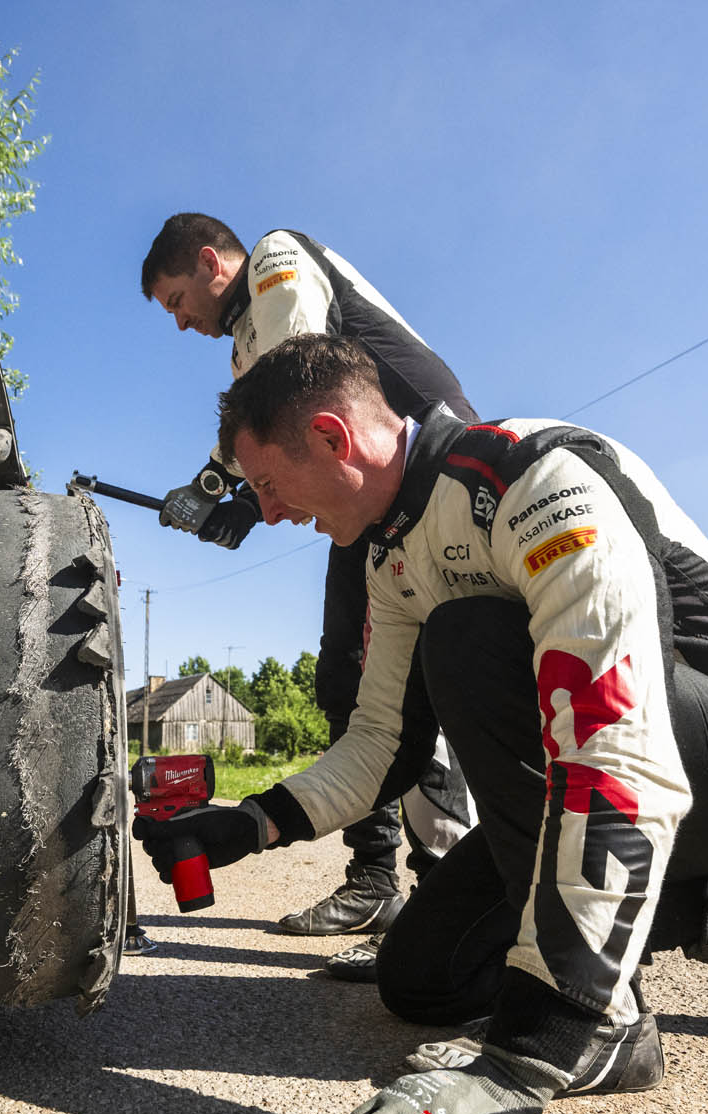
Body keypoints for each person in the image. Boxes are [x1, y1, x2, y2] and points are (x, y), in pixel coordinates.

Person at [132, 335, 708, 1114]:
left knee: (472, 639)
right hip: (633, 778)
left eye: (269, 484)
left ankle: (609, 1016)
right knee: (421, 980)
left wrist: (530, 1051)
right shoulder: (392, 554)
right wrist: (249, 824)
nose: (272, 512)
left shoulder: (532, 476)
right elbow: (384, 745)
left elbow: (614, 737)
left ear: (331, 437)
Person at [139, 212, 476, 953]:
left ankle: (446, 895)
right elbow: (270, 426)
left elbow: (294, 387)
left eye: (176, 301)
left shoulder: (277, 260)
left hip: (423, 479)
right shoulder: (244, 340)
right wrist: (231, 494)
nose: (180, 322)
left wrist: (228, 492)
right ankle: (378, 879)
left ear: (210, 261)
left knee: (415, 682)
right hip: (371, 501)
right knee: (345, 678)